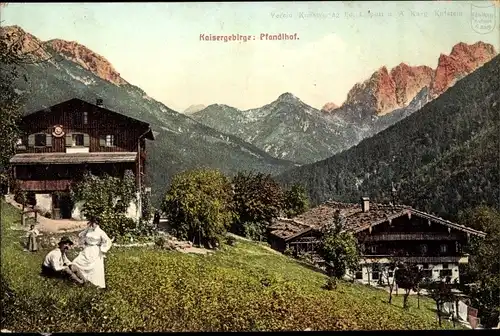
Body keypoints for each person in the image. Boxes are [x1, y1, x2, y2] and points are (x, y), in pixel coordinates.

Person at [71, 219, 113, 289]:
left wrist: (103, 248)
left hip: (95, 250)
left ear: (98, 224)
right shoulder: (89, 230)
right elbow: (81, 235)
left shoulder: (101, 232)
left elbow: (108, 241)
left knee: (94, 267)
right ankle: (82, 279)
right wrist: (86, 230)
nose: (93, 225)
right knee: (77, 261)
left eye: (95, 223)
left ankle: (94, 284)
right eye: (92, 223)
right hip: (87, 249)